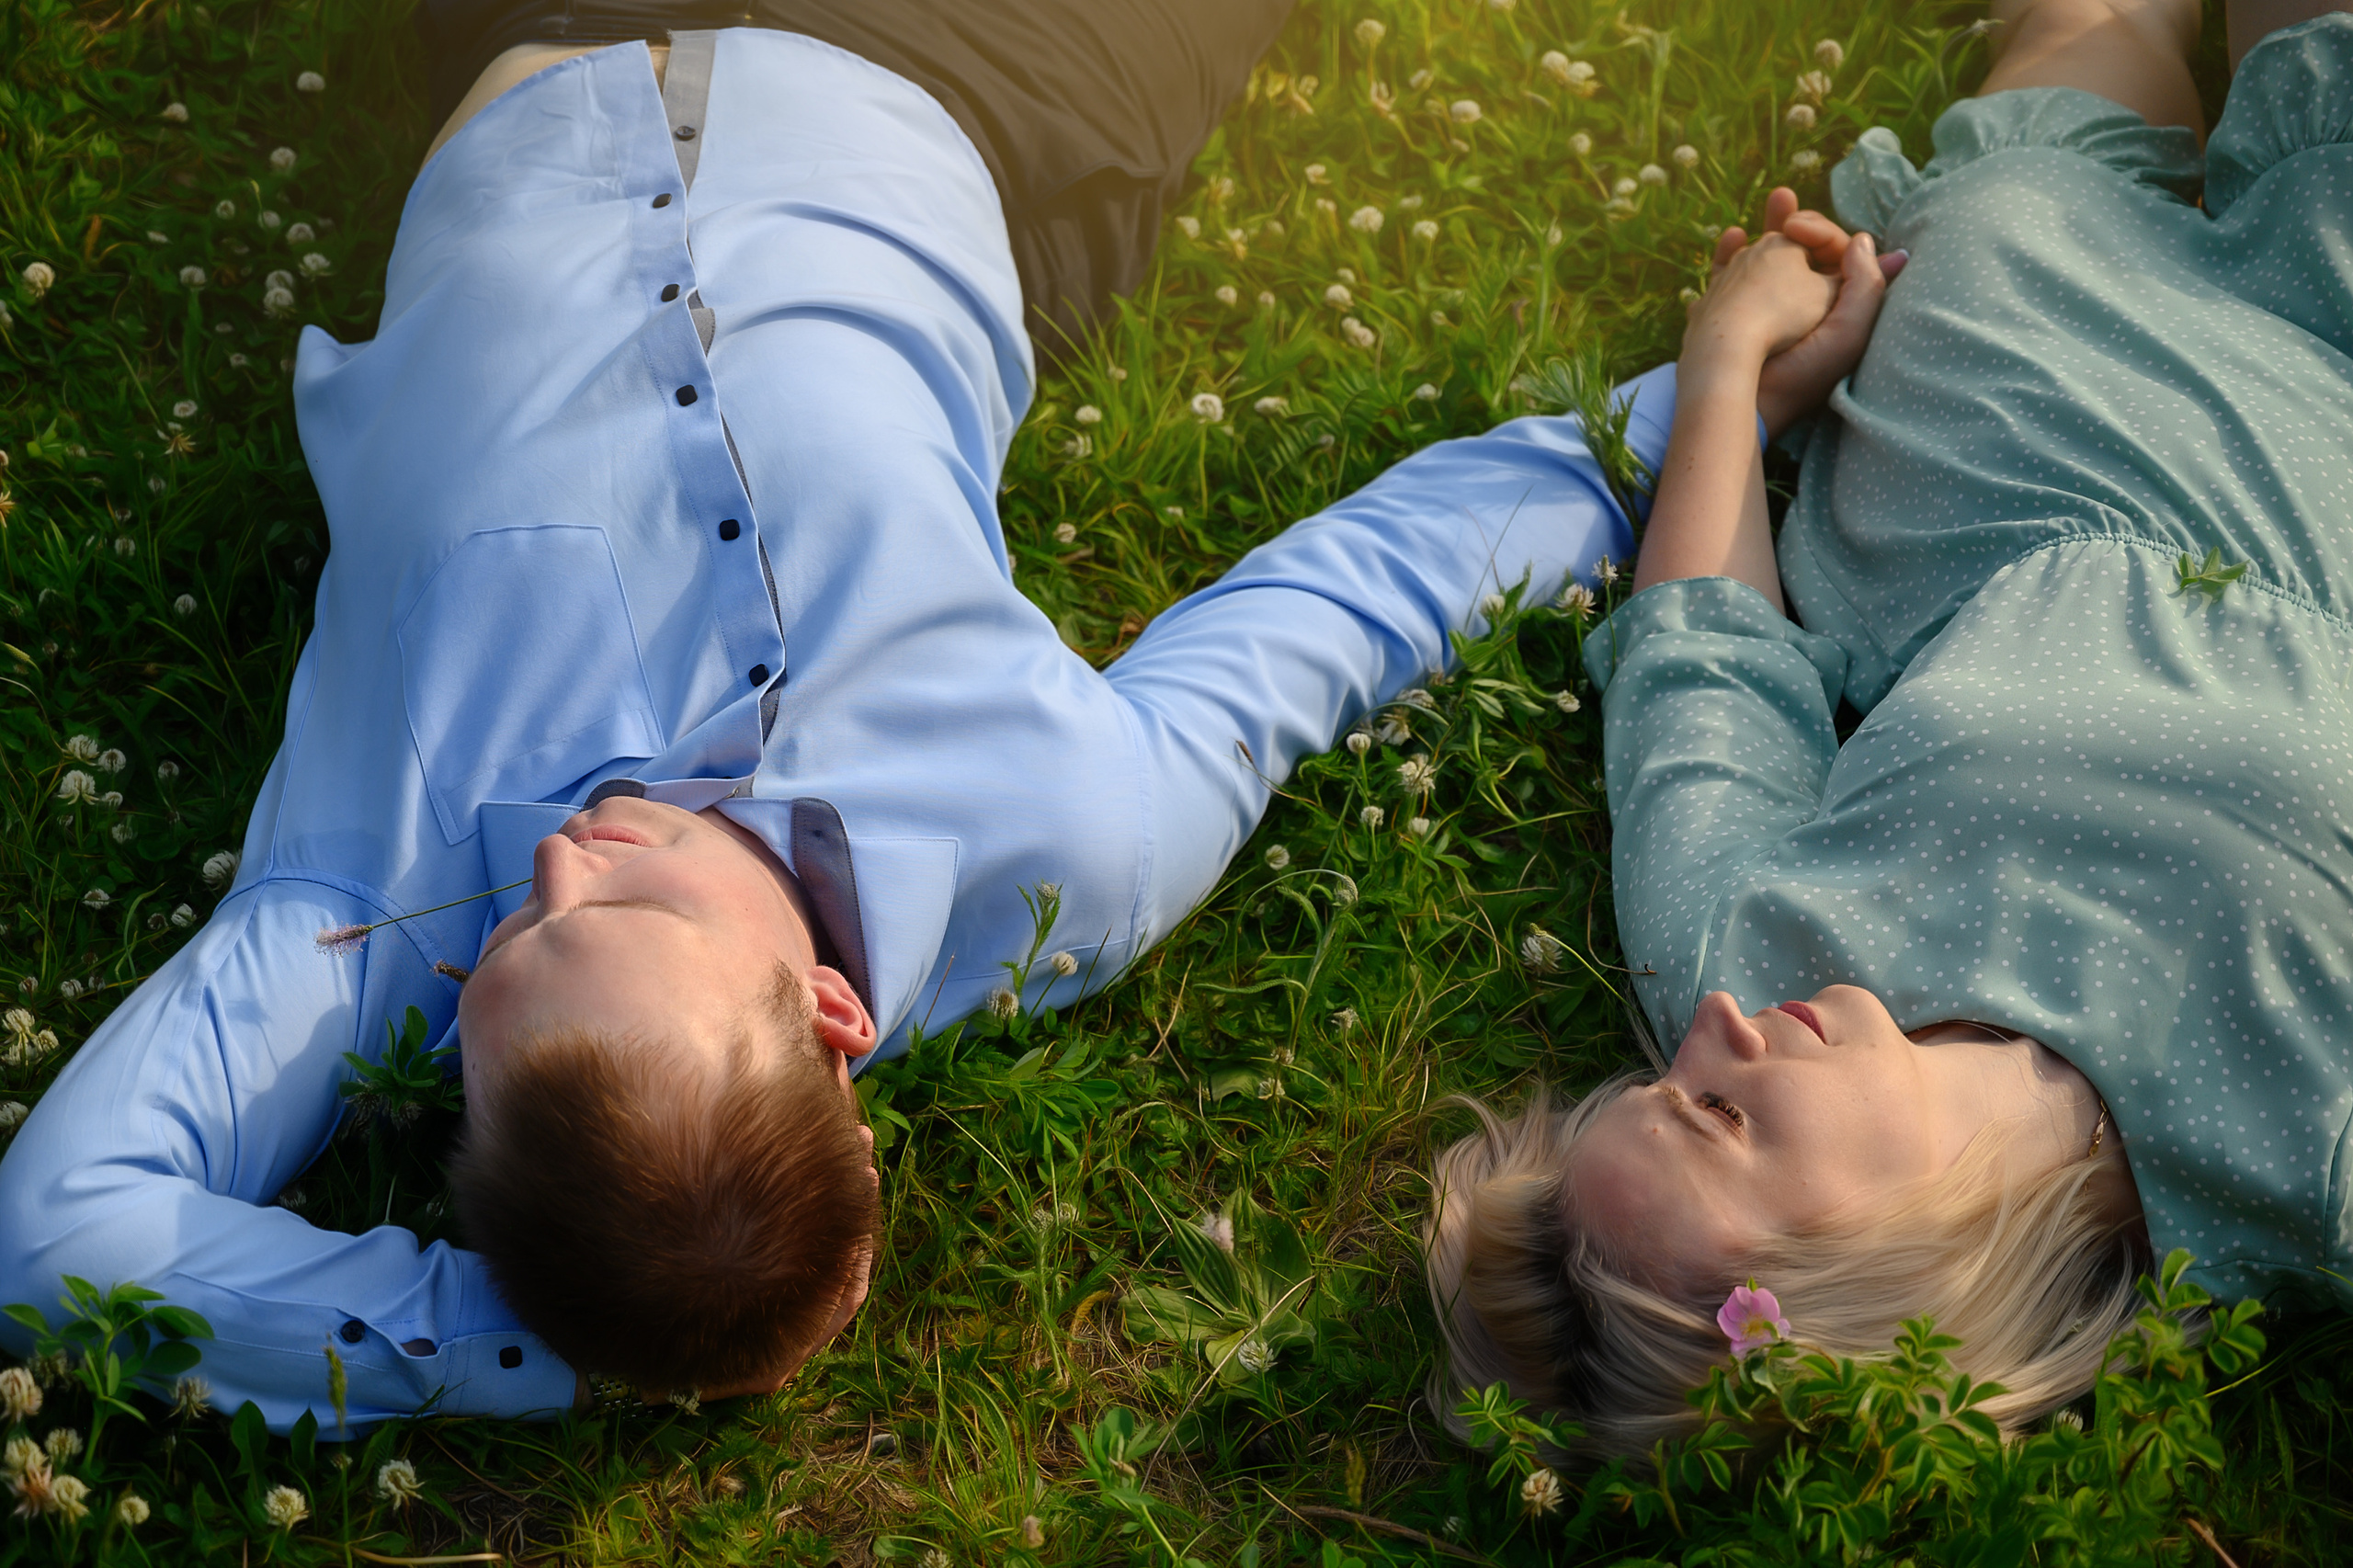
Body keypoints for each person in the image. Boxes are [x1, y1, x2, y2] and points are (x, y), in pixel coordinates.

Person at [0, 0, 1889, 1430]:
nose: (565, 862)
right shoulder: (1055, 851)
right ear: (830, 1016)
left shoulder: (363, 898)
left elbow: (62, 1234)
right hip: (977, 79)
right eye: (630, 921)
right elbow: (1358, 595)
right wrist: (1703, 399)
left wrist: (551, 1325)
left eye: (512, 949)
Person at [1427, 0, 2353, 1459]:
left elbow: (1706, 669)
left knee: (2079, 39)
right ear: (1851, 1302)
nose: (1713, 1035)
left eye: (1669, 1083)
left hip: (2023, 388)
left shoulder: (1744, 962)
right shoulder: (2299, 1168)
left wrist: (1729, 371)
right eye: (1720, 1119)